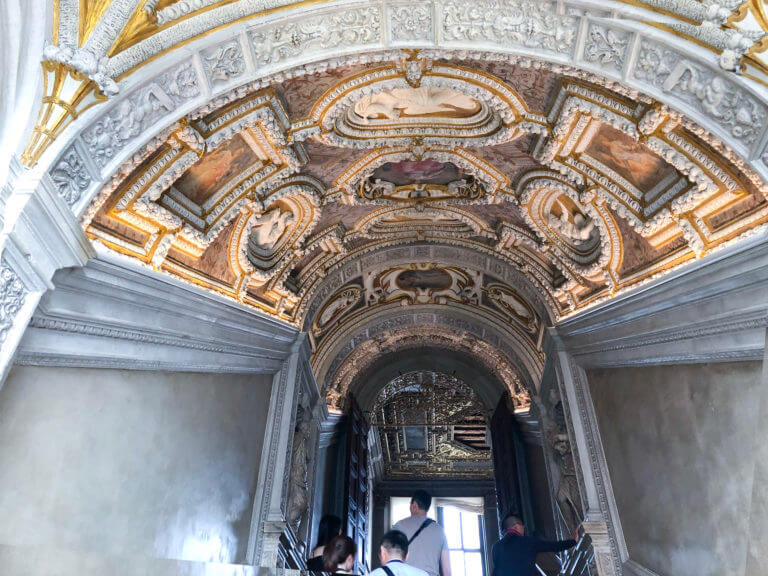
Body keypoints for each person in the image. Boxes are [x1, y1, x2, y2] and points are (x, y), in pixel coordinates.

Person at [491, 514, 577, 576]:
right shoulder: (528, 542)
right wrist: (573, 541)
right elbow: (554, 546)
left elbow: (496, 570)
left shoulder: (496, 547)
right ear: (516, 526)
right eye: (522, 526)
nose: (523, 529)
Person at [392, 490, 451, 576]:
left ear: (414, 505)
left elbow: (391, 559)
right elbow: (447, 570)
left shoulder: (399, 526)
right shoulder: (440, 531)